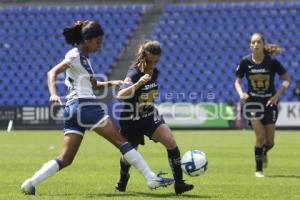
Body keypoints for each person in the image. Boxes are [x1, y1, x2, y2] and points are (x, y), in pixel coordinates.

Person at [20, 20, 174, 195]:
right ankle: (150, 177)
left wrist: (111, 83)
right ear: (87, 40)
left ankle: (30, 183)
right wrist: (53, 93)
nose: (100, 46)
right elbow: (52, 72)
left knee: (66, 158)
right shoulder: (74, 56)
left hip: (72, 110)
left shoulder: (83, 59)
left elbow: (93, 84)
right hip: (86, 106)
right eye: (98, 41)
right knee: (122, 142)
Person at [114, 40, 194, 194]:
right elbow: (120, 95)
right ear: (143, 56)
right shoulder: (134, 73)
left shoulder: (155, 72)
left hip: (150, 115)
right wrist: (137, 84)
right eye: (150, 61)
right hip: (131, 119)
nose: (152, 65)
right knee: (129, 156)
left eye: (156, 61)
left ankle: (179, 184)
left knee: (170, 141)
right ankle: (122, 181)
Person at [235, 33, 291, 178]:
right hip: (252, 103)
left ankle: (264, 152)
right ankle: (258, 170)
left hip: (269, 103)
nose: (256, 44)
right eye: (253, 42)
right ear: (250, 45)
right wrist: (241, 93)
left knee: (270, 142)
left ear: (263, 44)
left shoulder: (271, 62)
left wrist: (277, 96)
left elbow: (286, 79)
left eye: (258, 42)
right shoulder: (245, 62)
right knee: (260, 137)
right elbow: (237, 82)